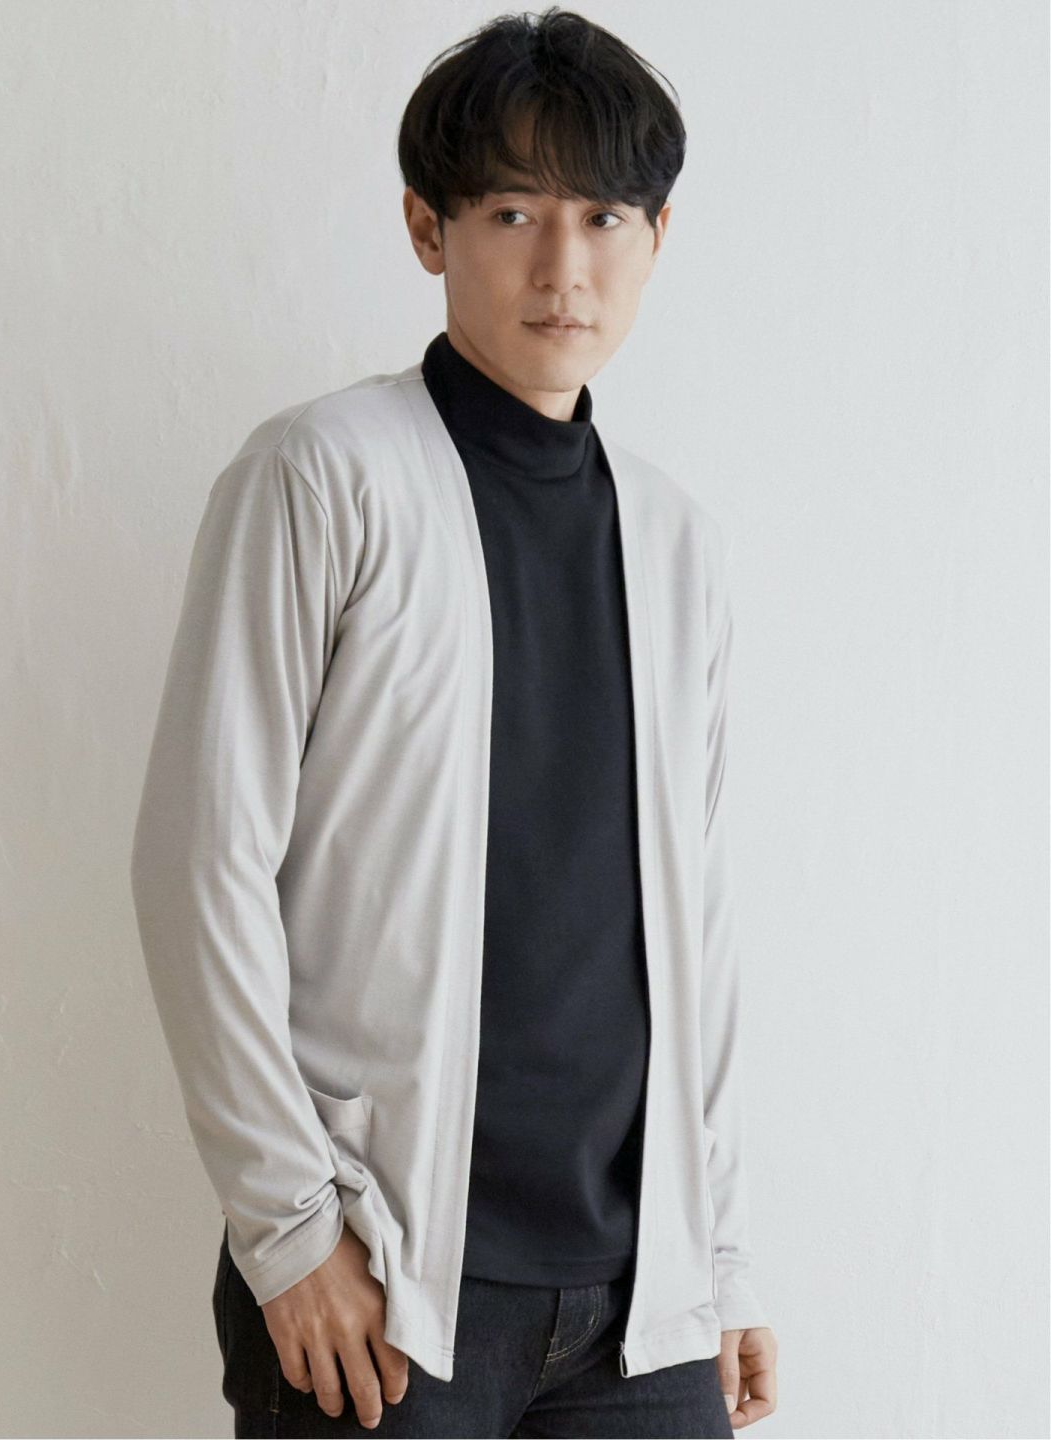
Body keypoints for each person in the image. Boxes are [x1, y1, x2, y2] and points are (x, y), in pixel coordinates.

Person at [129, 7, 779, 1437]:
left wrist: (719, 1256)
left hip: (636, 1301)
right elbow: (199, 862)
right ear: (429, 228)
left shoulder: (679, 542)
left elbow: (695, 923)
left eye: (605, 218)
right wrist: (290, 1233)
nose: (564, 267)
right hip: (388, 1278)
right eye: (513, 213)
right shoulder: (321, 478)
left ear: (658, 237)